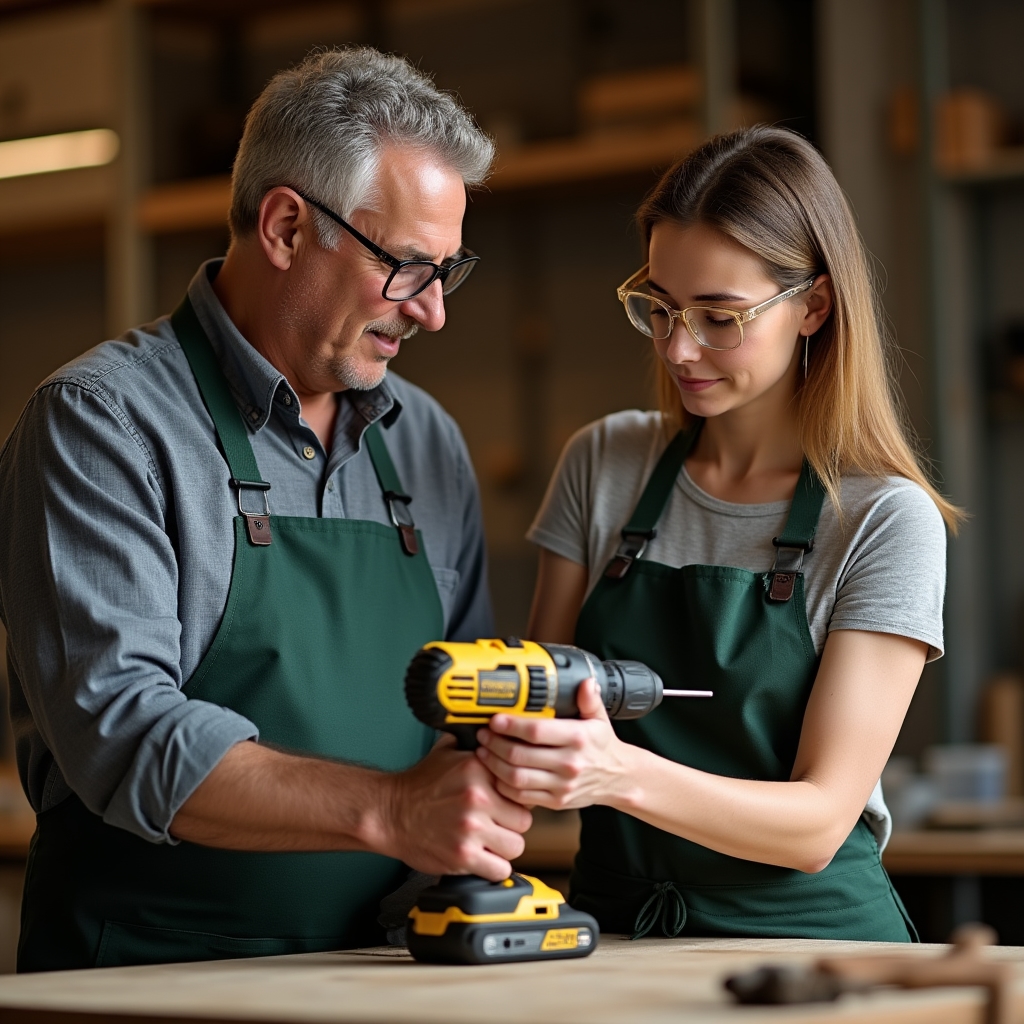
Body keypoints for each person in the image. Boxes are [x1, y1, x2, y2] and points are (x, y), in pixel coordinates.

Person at [0, 47, 531, 972]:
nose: (434, 312)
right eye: (409, 268)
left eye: (449, 271)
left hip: (381, 974)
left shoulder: (426, 442)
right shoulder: (102, 425)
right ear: (287, 227)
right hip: (148, 981)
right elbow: (124, 732)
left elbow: (468, 704)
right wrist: (394, 810)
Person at [475, 126, 960, 942]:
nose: (678, 347)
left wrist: (616, 774)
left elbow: (817, 825)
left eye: (719, 317)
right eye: (661, 307)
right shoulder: (603, 463)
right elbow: (541, 705)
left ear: (813, 306)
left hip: (811, 949)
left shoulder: (882, 519)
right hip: (616, 936)